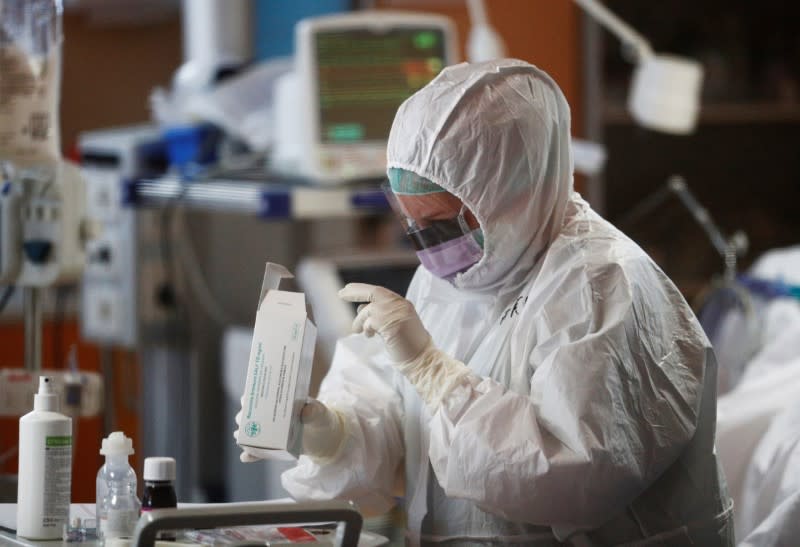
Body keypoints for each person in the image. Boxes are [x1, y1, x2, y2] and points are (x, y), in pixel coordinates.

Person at [236, 59, 734, 545]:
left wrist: (436, 373)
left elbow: (568, 479)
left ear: (516, 193)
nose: (428, 248)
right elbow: (392, 407)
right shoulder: (449, 278)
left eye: (442, 225)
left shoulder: (602, 284)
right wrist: (333, 434)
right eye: (413, 227)